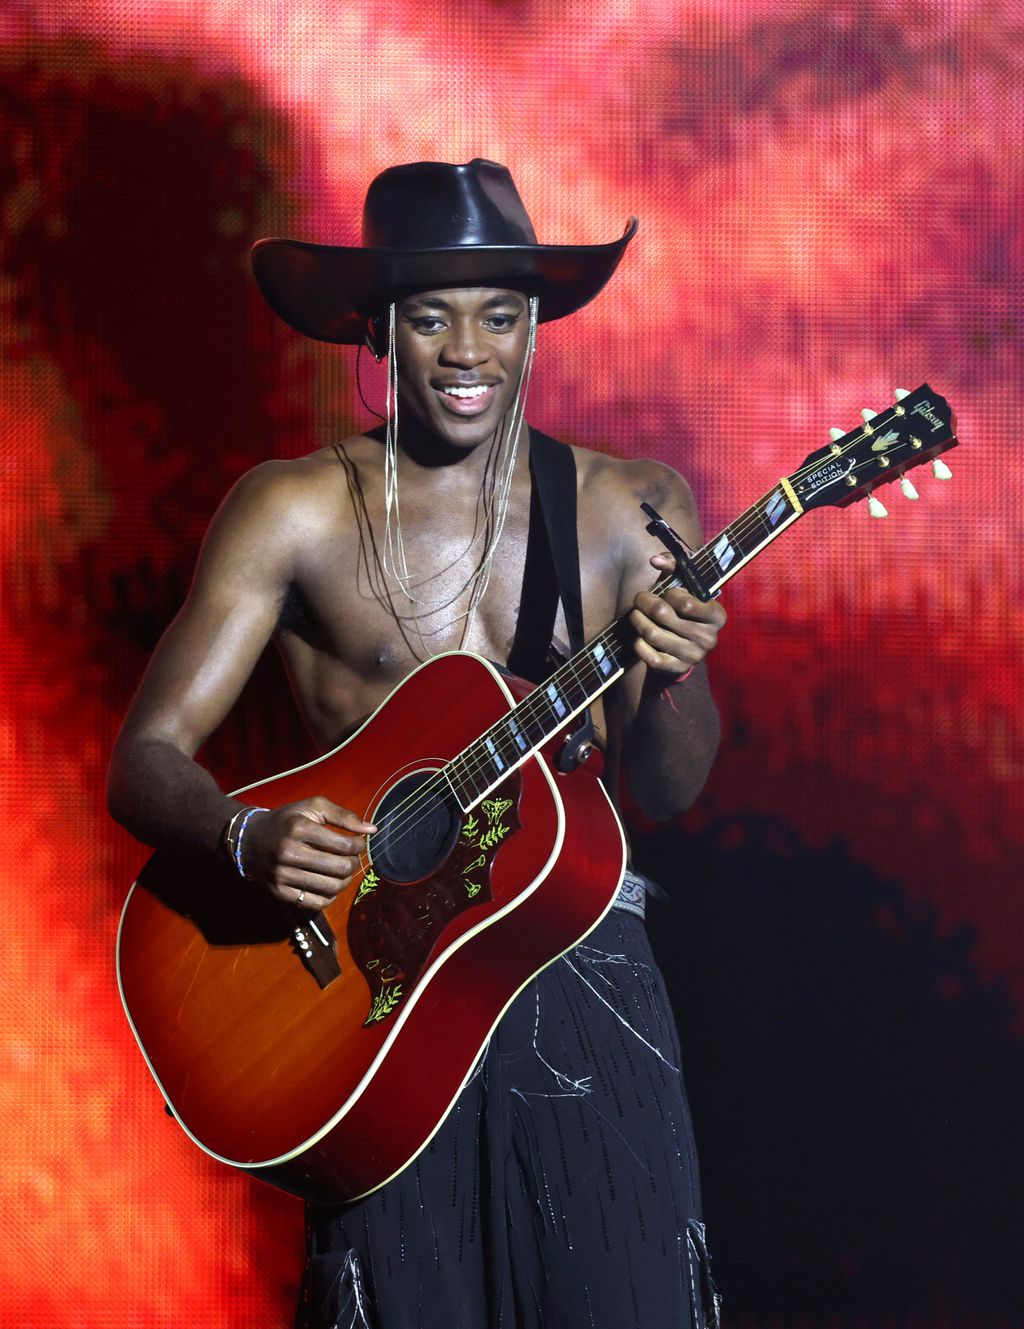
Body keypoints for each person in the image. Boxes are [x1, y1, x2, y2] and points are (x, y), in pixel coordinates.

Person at [108, 159, 727, 1329]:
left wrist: (676, 673)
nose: (467, 351)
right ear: (378, 330)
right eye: (432, 316)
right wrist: (244, 837)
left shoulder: (624, 507)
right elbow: (143, 757)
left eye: (499, 315)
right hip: (365, 1015)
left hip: (574, 976)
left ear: (534, 326)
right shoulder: (292, 509)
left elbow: (667, 787)